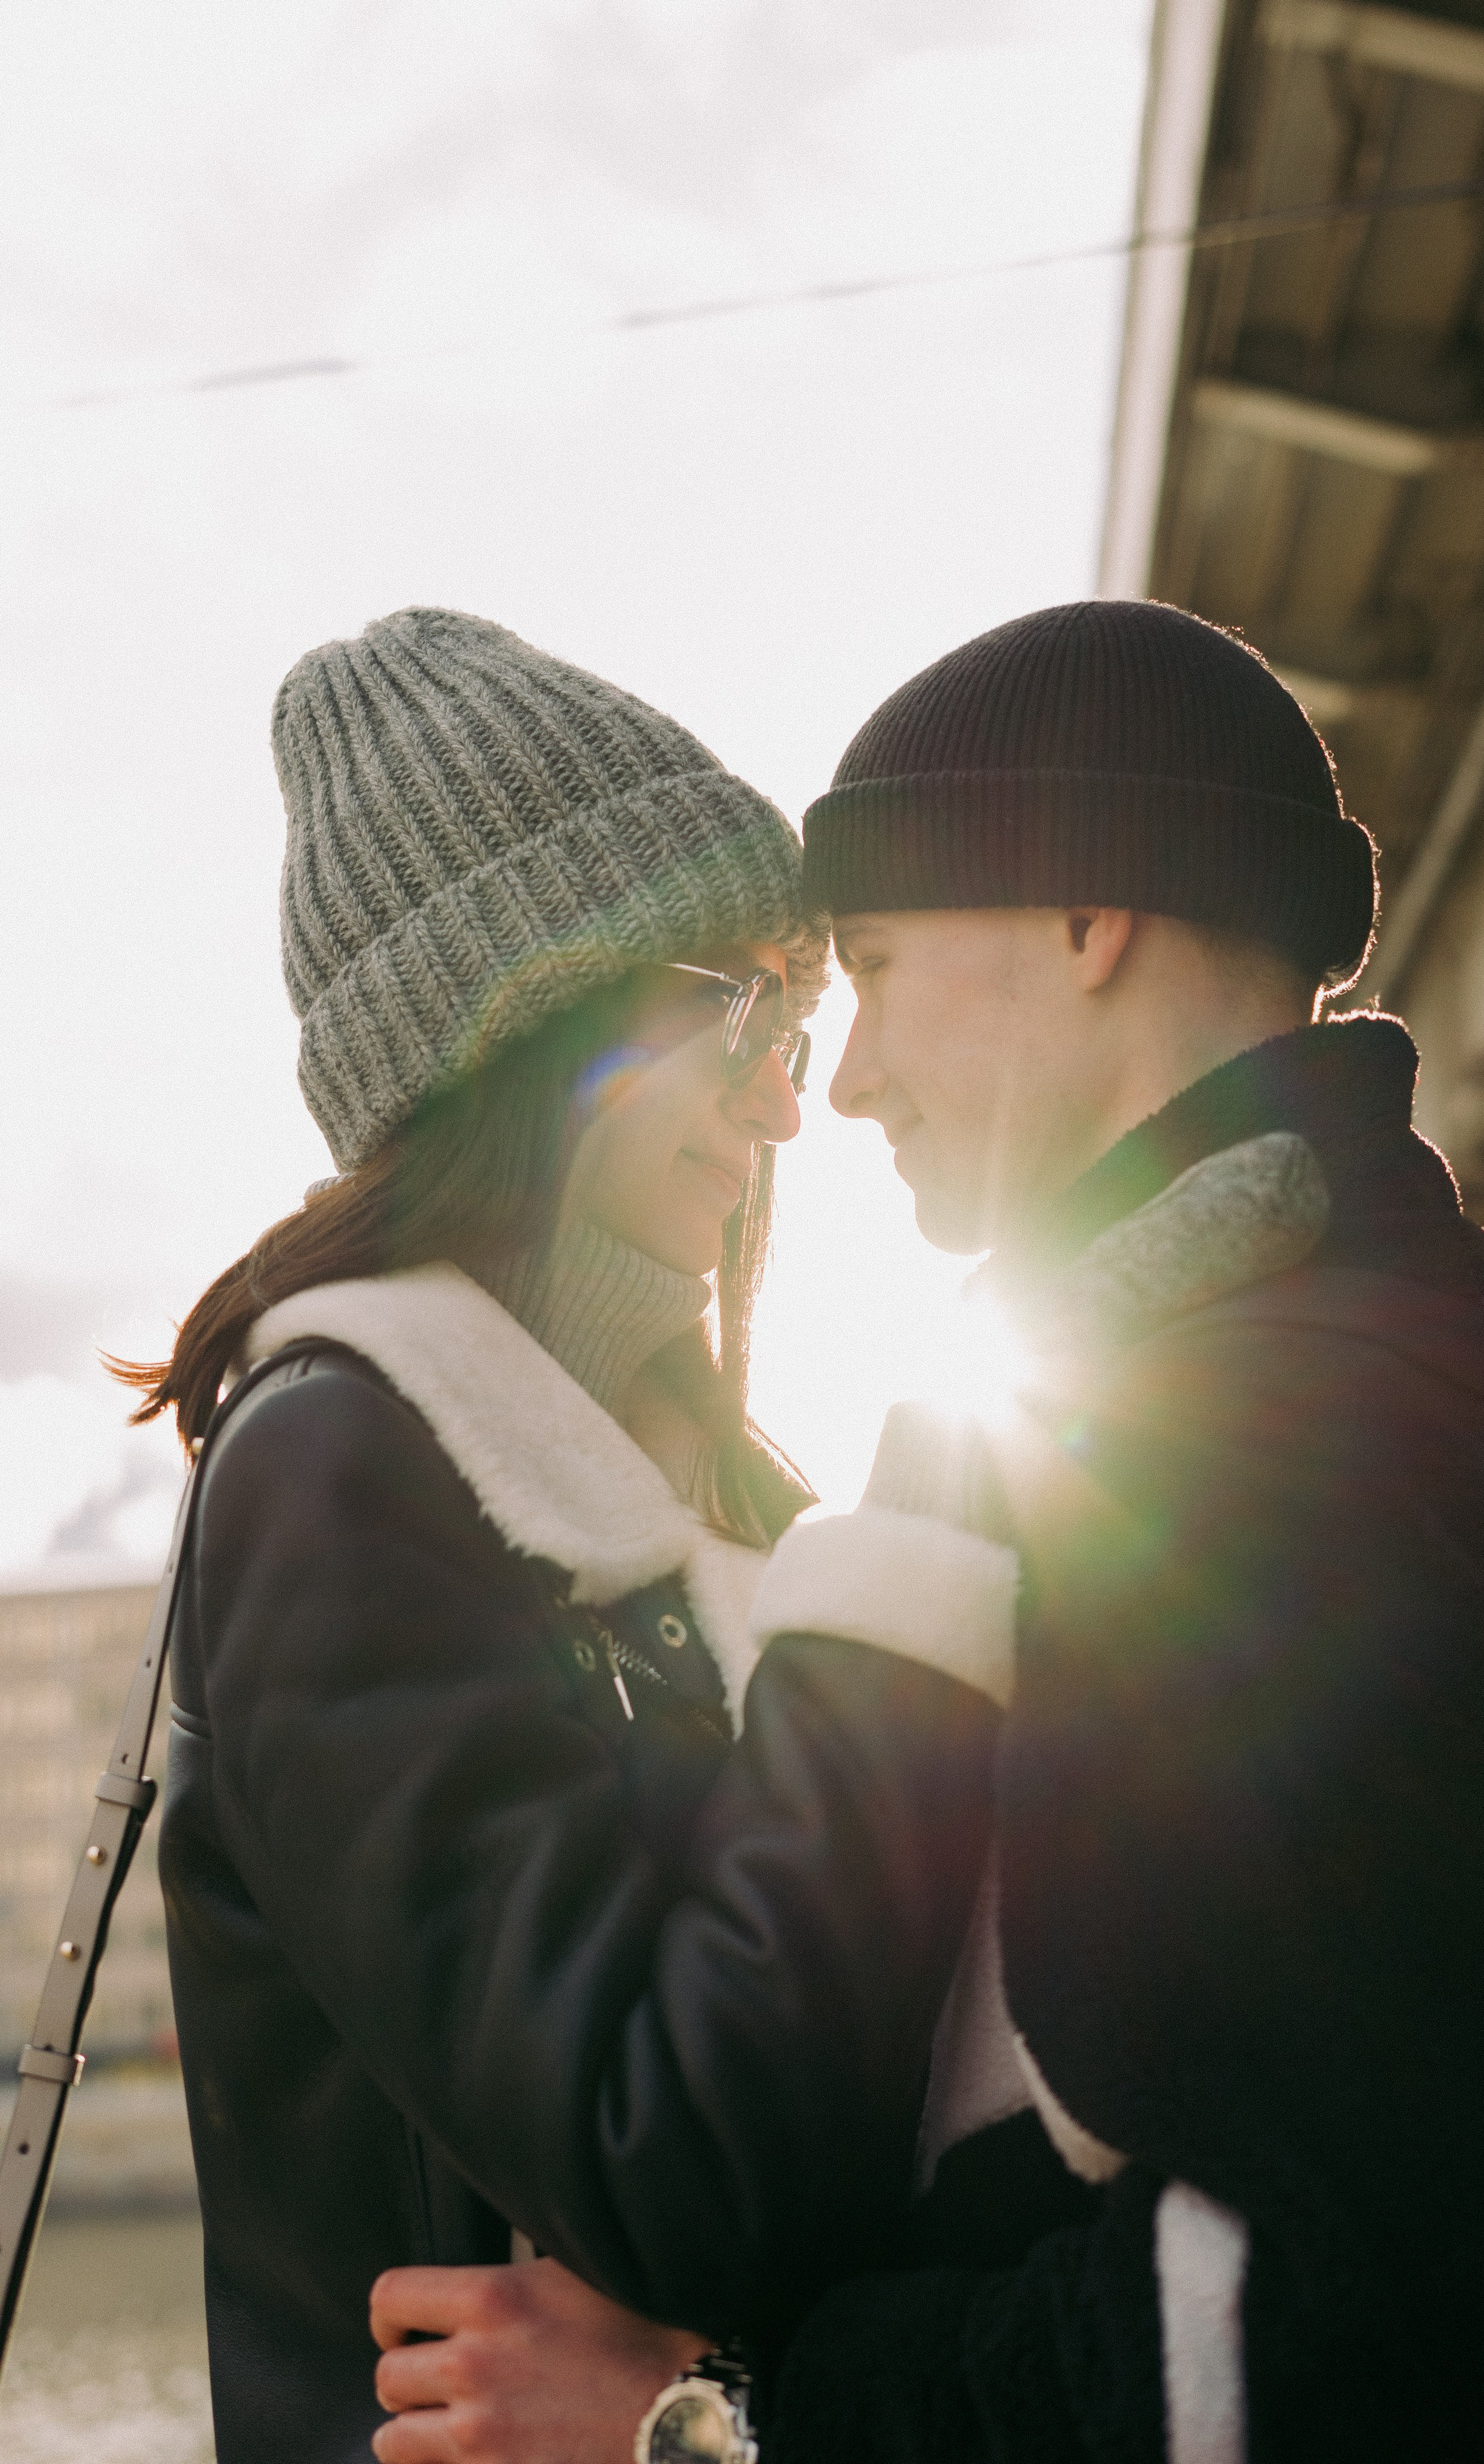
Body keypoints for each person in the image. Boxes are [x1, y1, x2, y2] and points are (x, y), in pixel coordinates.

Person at [382, 600, 1484, 2463]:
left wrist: (713, 2422)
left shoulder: (1243, 1454)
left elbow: (1358, 2337)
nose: (848, 1081)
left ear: (1083, 915)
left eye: (878, 966)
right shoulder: (1408, 1353)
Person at [130, 608, 1006, 2464]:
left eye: (802, 1016)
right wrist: (904, 1629)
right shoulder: (343, 1465)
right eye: (739, 1007)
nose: (790, 1100)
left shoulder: (718, 1488)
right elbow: (671, 2166)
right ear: (527, 1016)